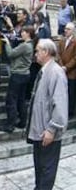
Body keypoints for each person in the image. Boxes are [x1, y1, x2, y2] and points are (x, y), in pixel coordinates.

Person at [27, 39, 68, 190]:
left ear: (46, 52)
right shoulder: (44, 71)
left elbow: (60, 103)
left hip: (48, 134)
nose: (35, 54)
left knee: (47, 172)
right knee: (40, 170)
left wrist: (52, 129)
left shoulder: (56, 72)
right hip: (40, 132)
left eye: (37, 51)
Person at [0, 25, 34, 133]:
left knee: (11, 100)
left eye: (23, 32)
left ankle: (10, 125)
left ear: (28, 33)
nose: (21, 33)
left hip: (18, 75)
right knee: (21, 100)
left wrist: (7, 43)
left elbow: (10, 54)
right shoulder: (30, 45)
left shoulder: (25, 46)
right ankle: (22, 122)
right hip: (25, 75)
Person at [58, 22, 76, 118]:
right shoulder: (62, 41)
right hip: (62, 70)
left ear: (73, 31)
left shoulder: (75, 41)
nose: (65, 30)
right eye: (65, 28)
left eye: (68, 29)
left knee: (71, 93)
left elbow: (75, 58)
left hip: (71, 72)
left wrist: (66, 67)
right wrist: (61, 66)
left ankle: (70, 112)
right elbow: (59, 54)